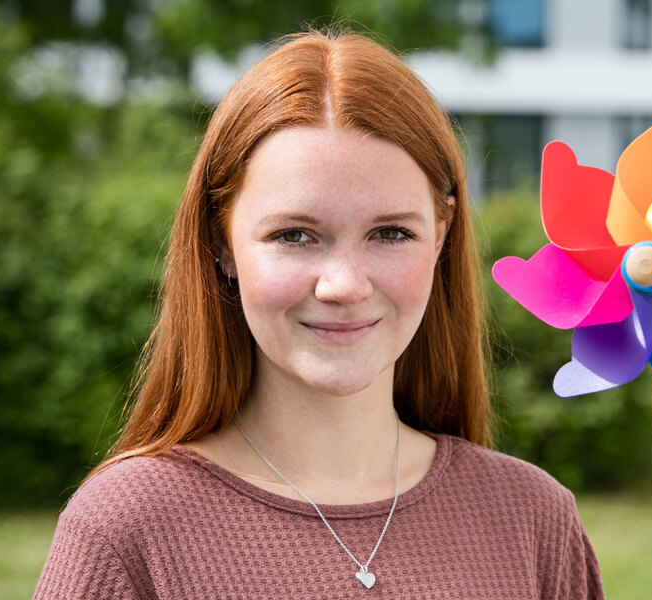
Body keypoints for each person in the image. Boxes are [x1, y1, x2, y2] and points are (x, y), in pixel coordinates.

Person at [34, 27, 604, 599]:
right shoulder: (123, 531)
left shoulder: (535, 520)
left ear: (441, 235)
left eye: (391, 232)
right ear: (222, 242)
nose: (344, 285)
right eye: (295, 234)